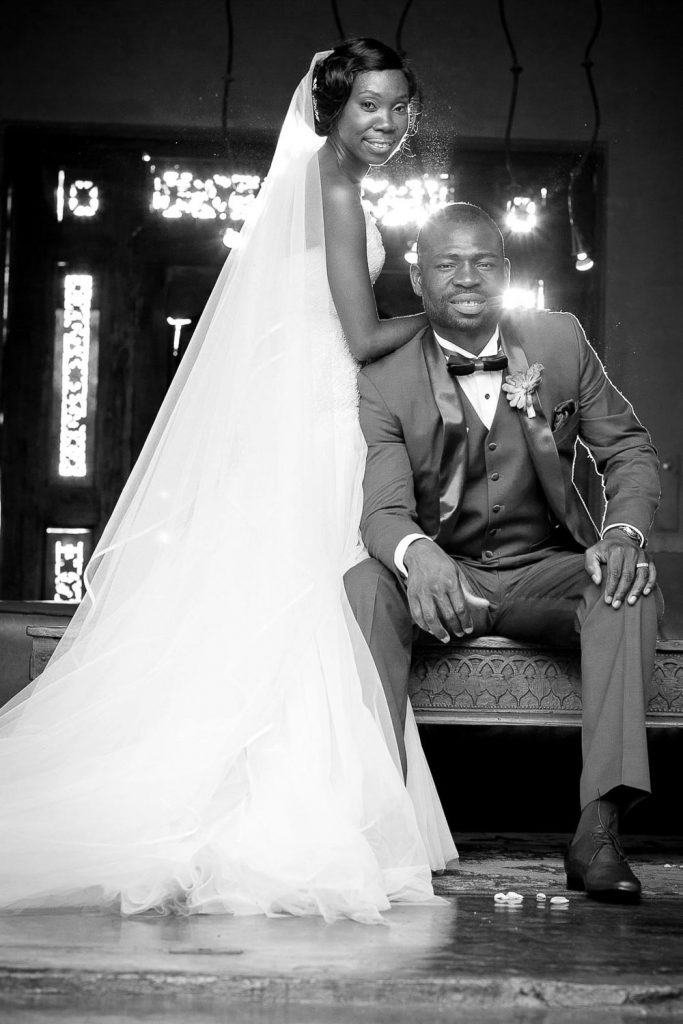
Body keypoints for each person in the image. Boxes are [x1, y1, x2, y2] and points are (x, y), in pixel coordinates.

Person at [0, 41, 457, 924]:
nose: (390, 123)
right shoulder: (328, 182)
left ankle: (309, 799)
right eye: (370, 105)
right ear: (331, 109)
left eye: (401, 106)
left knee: (308, 600)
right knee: (308, 600)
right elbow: (361, 337)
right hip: (313, 418)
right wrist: (449, 316)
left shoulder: (323, 180)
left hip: (312, 410)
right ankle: (283, 814)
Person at [345, 202, 661, 904]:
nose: (466, 277)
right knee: (365, 585)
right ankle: (373, 825)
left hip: (543, 571)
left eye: (483, 262)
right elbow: (383, 507)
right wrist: (415, 552)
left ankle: (598, 830)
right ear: (417, 280)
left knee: (627, 585)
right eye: (446, 263)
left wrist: (620, 534)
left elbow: (627, 448)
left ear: (507, 272)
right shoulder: (382, 376)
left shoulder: (559, 339)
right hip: (442, 576)